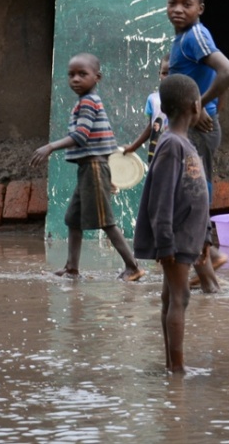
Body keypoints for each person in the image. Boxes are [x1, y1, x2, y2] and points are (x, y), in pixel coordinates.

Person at [30, 52, 145, 281]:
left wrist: (50, 146)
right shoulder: (84, 102)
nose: (75, 79)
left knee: (106, 221)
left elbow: (81, 136)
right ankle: (72, 268)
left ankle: (133, 266)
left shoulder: (89, 102)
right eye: (71, 75)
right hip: (88, 169)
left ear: (97, 77)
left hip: (94, 167)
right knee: (73, 219)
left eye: (82, 74)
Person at [133, 74, 210, 373]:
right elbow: (160, 200)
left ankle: (170, 365)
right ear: (195, 105)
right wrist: (165, 242)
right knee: (180, 296)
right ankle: (177, 369)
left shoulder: (186, 145)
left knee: (171, 296)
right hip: (175, 239)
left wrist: (207, 235)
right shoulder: (170, 146)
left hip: (187, 237)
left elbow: (199, 196)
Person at [166, 0, 229, 292]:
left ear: (200, 9)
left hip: (198, 131)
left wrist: (199, 104)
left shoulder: (195, 35)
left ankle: (210, 276)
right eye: (173, 3)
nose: (178, 9)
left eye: (186, 4)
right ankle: (210, 272)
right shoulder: (183, 38)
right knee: (188, 202)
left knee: (190, 204)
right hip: (191, 129)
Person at [122, 54, 170, 165]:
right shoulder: (152, 99)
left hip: (174, 156)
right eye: (164, 73)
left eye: (172, 72)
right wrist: (133, 147)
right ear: (159, 74)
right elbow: (151, 127)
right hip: (155, 155)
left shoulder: (182, 98)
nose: (168, 77)